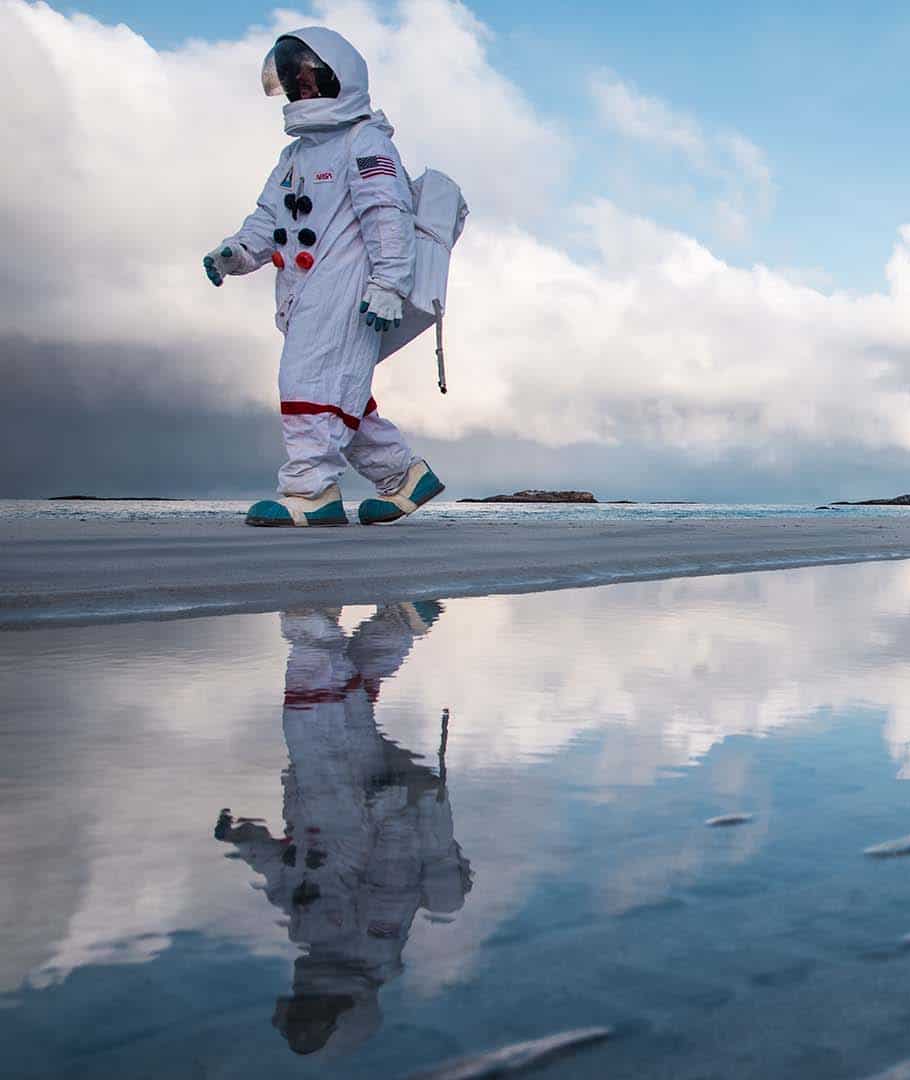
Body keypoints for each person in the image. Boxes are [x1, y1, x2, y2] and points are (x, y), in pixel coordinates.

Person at [203, 28, 445, 527]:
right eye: (296, 81)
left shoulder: (365, 142)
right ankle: (402, 475)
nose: (304, 89)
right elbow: (268, 219)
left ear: (340, 79)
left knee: (309, 381)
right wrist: (236, 253)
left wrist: (389, 285)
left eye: (311, 79)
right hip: (305, 289)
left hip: (350, 289)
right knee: (337, 390)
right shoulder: (294, 157)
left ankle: (310, 490)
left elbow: (388, 216)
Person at [215, 603, 471, 1057]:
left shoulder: (309, 935)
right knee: (314, 713)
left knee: (348, 703)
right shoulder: (373, 946)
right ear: (338, 1013)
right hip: (354, 811)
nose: (299, 1001)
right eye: (306, 1012)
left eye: (297, 1010)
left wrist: (243, 840)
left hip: (322, 808)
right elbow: (394, 878)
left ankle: (399, 624)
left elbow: (282, 871)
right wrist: (390, 811)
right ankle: (309, 620)